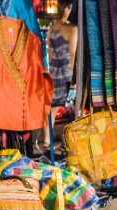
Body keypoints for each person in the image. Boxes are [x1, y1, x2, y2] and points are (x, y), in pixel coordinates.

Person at [38, 0, 78, 155]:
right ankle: (74, 142)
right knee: (76, 109)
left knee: (52, 109)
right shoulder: (72, 29)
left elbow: (49, 52)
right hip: (67, 74)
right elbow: (72, 54)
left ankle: (47, 143)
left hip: (54, 73)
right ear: (67, 8)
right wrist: (74, 79)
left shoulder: (51, 28)